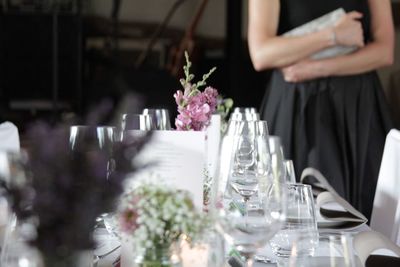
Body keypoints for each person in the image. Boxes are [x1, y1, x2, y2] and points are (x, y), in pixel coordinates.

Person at [248, 0, 394, 220]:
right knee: (292, 219)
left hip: (358, 111)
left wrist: (316, 68)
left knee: (369, 221)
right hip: (298, 108)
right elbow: (261, 53)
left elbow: (385, 51)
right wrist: (332, 35)